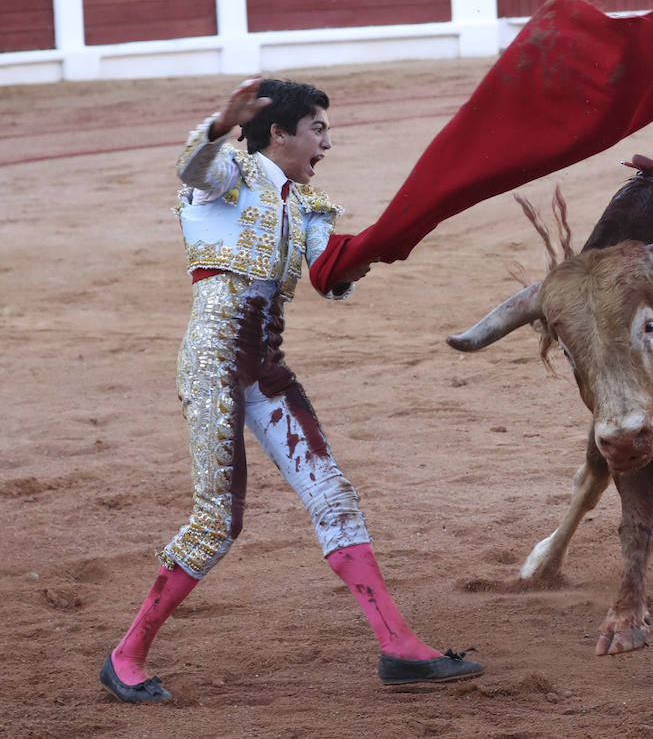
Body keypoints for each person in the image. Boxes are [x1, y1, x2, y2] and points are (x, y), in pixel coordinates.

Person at [99, 78, 487, 704]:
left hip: (265, 366)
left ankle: (398, 647)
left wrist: (395, 234)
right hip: (215, 360)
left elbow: (329, 276)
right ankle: (126, 655)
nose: (326, 144)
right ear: (279, 133)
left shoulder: (305, 204)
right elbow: (191, 164)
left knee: (333, 496)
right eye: (318, 129)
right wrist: (220, 124)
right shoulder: (228, 172)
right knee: (218, 519)